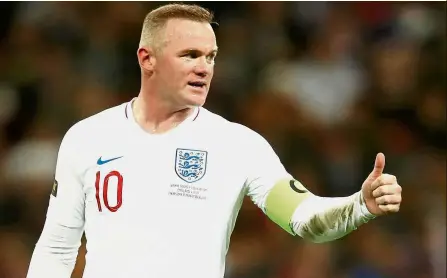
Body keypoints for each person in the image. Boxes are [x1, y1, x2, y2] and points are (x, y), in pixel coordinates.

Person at [26, 3, 402, 278]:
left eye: (211, 56)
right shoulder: (88, 137)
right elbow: (57, 249)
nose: (204, 67)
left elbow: (304, 219)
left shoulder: (236, 145)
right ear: (147, 58)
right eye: (190, 55)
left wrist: (359, 205)